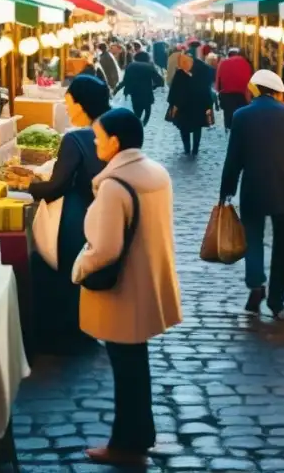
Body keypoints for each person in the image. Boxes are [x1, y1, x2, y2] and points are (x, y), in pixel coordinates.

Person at [72, 108, 182, 466]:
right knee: (136, 365)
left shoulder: (114, 186)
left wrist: (78, 268)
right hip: (148, 282)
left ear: (115, 142)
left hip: (121, 291)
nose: (94, 141)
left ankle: (125, 444)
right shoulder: (156, 173)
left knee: (126, 369)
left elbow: (105, 249)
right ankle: (139, 434)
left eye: (98, 136)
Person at [220, 70, 284, 317]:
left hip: (254, 187)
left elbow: (234, 157)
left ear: (256, 89)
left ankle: (256, 285)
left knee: (253, 240)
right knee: (283, 245)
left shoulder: (241, 115)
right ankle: (276, 299)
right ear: (276, 91)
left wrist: (226, 189)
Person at [28, 75, 111, 353]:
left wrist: (26, 186)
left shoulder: (76, 138)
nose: (66, 108)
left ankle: (69, 333)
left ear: (80, 104)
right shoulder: (108, 132)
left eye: (68, 102)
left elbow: (57, 186)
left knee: (68, 273)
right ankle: (87, 325)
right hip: (99, 212)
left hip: (75, 216)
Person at [167, 52, 214, 156]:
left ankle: (190, 149)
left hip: (190, 105)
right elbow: (175, 88)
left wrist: (174, 103)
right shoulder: (182, 72)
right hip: (191, 105)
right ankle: (191, 149)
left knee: (189, 127)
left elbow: (174, 89)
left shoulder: (201, 71)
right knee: (193, 127)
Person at [115, 51, 164, 126]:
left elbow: (125, 81)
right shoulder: (149, 66)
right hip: (146, 95)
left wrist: (116, 89)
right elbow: (160, 81)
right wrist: (153, 87)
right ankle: (142, 125)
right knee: (147, 114)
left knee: (136, 113)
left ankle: (136, 128)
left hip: (134, 95)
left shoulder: (130, 66)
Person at [216, 48, 253, 132]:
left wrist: (219, 91)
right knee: (241, 116)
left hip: (226, 95)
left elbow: (218, 79)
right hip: (241, 95)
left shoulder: (223, 63)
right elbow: (249, 82)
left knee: (228, 116)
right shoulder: (246, 63)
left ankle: (229, 130)